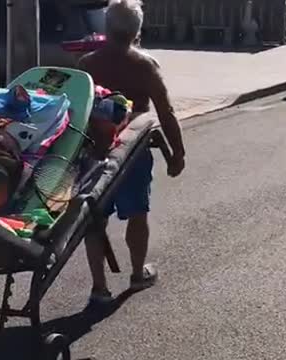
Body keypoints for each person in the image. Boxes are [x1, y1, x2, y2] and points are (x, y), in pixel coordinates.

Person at [77, 0, 186, 306]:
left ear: (107, 28)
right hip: (133, 152)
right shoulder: (145, 66)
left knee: (94, 218)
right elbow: (166, 112)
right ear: (137, 30)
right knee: (137, 213)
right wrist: (178, 153)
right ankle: (138, 274)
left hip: (96, 151)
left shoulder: (87, 65)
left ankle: (98, 288)